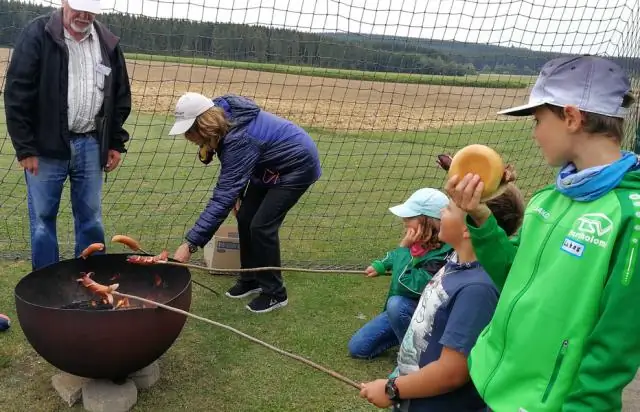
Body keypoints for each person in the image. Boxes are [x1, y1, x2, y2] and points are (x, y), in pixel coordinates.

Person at [446, 55, 640, 411]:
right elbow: (512, 276)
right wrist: (479, 215)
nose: (534, 133)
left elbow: (615, 347)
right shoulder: (548, 198)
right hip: (496, 385)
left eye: (538, 120)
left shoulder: (631, 217)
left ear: (571, 117)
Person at [359, 165, 525, 411]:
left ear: (468, 229)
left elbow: (452, 373)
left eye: (447, 208)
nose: (440, 213)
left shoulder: (477, 288)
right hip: (416, 394)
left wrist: (392, 389)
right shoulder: (456, 261)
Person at [4, 0, 132, 271]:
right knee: (42, 220)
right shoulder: (38, 34)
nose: (84, 15)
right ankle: (46, 284)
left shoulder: (107, 43)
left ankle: (90, 280)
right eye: (79, 7)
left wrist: (114, 142)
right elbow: (17, 93)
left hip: (91, 144)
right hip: (44, 149)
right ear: (64, 2)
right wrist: (25, 148)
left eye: (91, 9)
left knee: (92, 220)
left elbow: (120, 96)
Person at [167, 92, 322, 313]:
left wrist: (191, 244)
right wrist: (237, 194)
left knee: (262, 226)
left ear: (203, 125)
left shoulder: (239, 138)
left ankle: (275, 293)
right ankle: (251, 279)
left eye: (189, 131)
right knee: (245, 217)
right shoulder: (223, 118)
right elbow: (236, 171)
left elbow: (223, 195)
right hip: (266, 166)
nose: (188, 137)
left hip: (297, 166)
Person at [348, 188, 452, 359]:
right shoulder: (422, 241)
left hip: (428, 317)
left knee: (396, 304)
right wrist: (383, 264)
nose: (404, 221)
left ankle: (415, 357)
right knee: (358, 348)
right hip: (408, 313)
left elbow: (406, 285)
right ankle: (405, 334)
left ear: (428, 221)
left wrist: (403, 248)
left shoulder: (444, 254)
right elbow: (401, 257)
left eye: (410, 217)